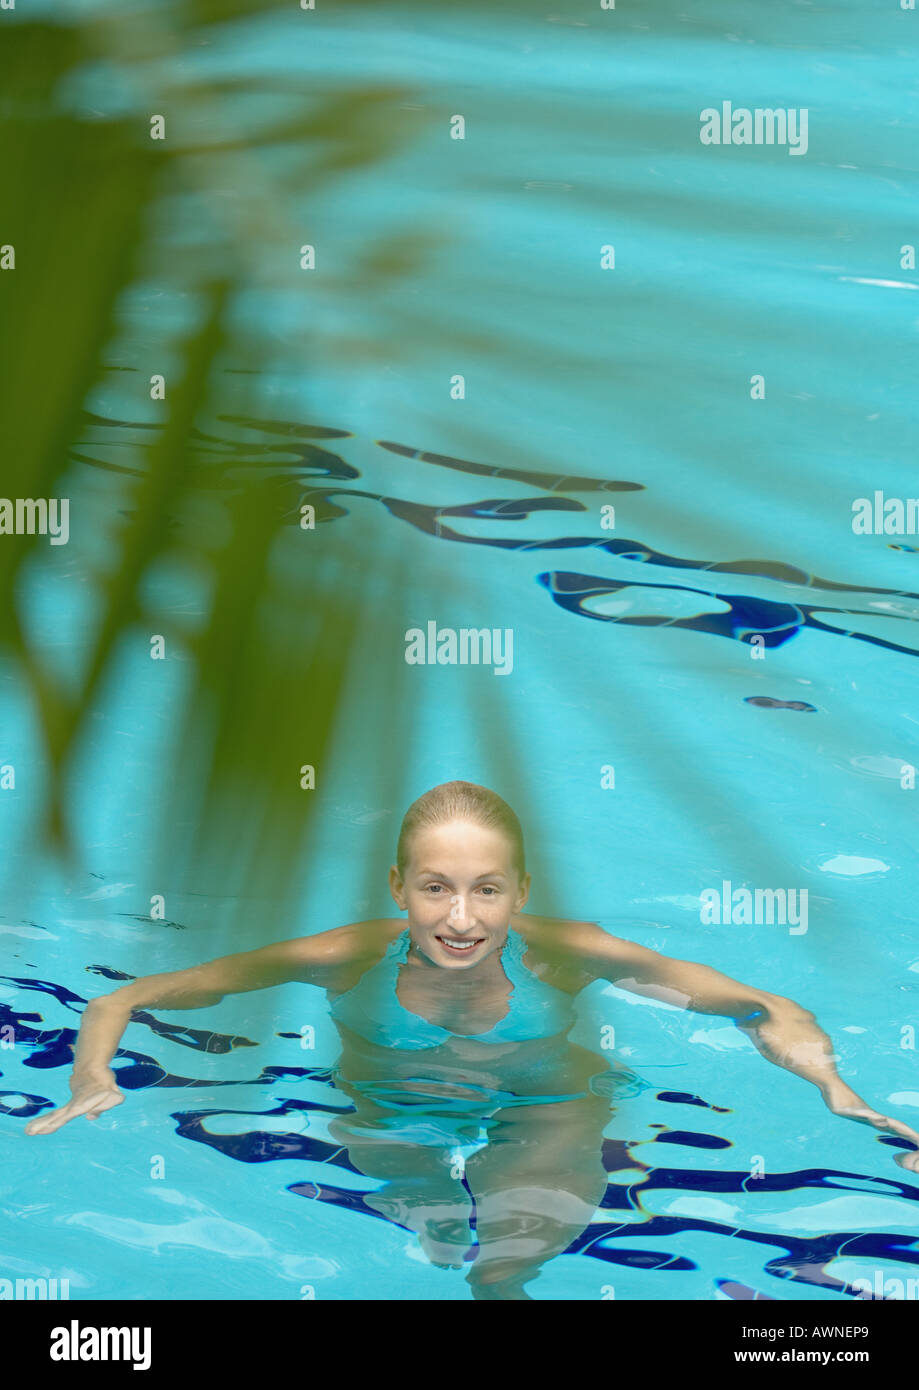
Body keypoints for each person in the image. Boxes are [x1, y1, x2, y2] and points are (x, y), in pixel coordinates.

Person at [24, 780, 919, 1299]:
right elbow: (133, 996)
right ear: (398, 887)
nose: (459, 919)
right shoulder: (341, 958)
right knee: (438, 1242)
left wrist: (834, 1090)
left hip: (551, 1108)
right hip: (391, 1108)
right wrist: (89, 1078)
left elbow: (759, 1006)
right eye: (435, 888)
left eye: (486, 890)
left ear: (520, 891)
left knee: (503, 1267)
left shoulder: (570, 955)